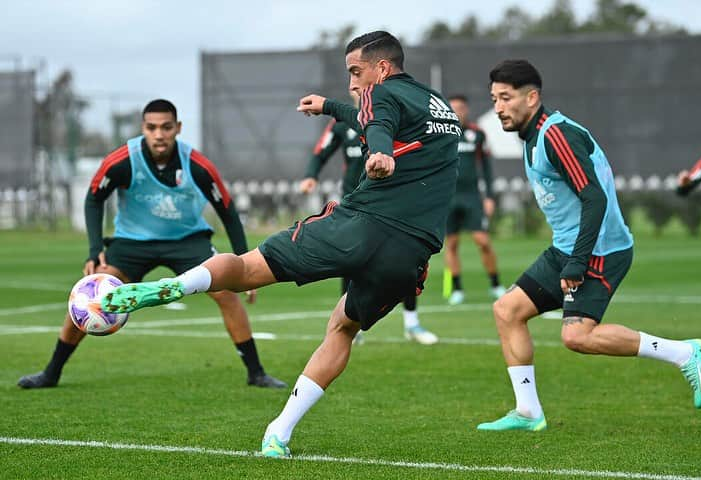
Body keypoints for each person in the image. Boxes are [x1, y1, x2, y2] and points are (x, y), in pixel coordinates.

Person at [101, 32, 460, 456]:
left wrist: (380, 155)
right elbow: (372, 118)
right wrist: (329, 106)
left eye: (355, 72)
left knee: (246, 269)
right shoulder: (441, 108)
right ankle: (279, 432)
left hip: (359, 225)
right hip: (410, 253)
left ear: (381, 69)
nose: (351, 83)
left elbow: (377, 123)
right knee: (343, 328)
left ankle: (177, 286)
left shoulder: (379, 93)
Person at [476, 60, 701, 432]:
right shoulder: (533, 135)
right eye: (494, 99)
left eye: (506, 98)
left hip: (599, 250)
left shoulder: (556, 135)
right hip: (567, 246)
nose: (499, 107)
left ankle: (685, 353)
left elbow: (594, 198)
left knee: (577, 336)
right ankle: (528, 412)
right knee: (507, 311)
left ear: (532, 97)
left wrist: (577, 263)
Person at [17, 99, 286, 390]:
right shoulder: (122, 161)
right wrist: (95, 252)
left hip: (187, 240)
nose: (159, 134)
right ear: (143, 128)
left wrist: (243, 264)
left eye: (166, 127)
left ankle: (256, 373)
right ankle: (51, 372)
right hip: (133, 242)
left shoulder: (196, 164)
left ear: (178, 128)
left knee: (225, 294)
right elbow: (94, 197)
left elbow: (227, 210)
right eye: (152, 127)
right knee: (93, 292)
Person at [300, 92, 438, 345]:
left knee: (407, 260)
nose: (358, 91)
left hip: (392, 204)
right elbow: (321, 151)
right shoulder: (342, 124)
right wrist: (311, 175)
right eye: (354, 88)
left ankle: (412, 323)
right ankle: (352, 327)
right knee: (349, 260)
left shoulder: (391, 118)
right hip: (354, 202)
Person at [444, 94, 505, 305]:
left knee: (483, 241)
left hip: (471, 197)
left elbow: (486, 168)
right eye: (452, 108)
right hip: (448, 198)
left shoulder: (477, 134)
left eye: (460, 107)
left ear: (466, 109)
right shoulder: (441, 135)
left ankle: (496, 284)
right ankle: (456, 288)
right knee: (451, 244)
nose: (457, 112)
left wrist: (489, 197)